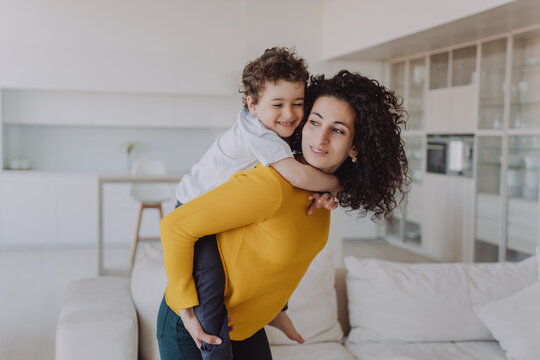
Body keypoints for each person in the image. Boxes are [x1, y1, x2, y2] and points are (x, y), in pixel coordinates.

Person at [158, 70, 410, 359]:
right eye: (315, 122)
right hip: (193, 329)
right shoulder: (272, 185)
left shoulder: (320, 196)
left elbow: (270, 258)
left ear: (355, 147)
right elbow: (174, 226)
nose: (321, 138)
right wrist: (186, 311)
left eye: (337, 130)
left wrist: (275, 310)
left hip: (247, 329)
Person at [173, 47, 343, 360]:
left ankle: (275, 311)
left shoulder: (276, 131)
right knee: (210, 289)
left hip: (217, 212)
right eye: (277, 104)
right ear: (252, 105)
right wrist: (341, 183)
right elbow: (295, 174)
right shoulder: (257, 134)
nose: (290, 114)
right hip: (192, 207)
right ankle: (213, 348)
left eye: (298, 104)